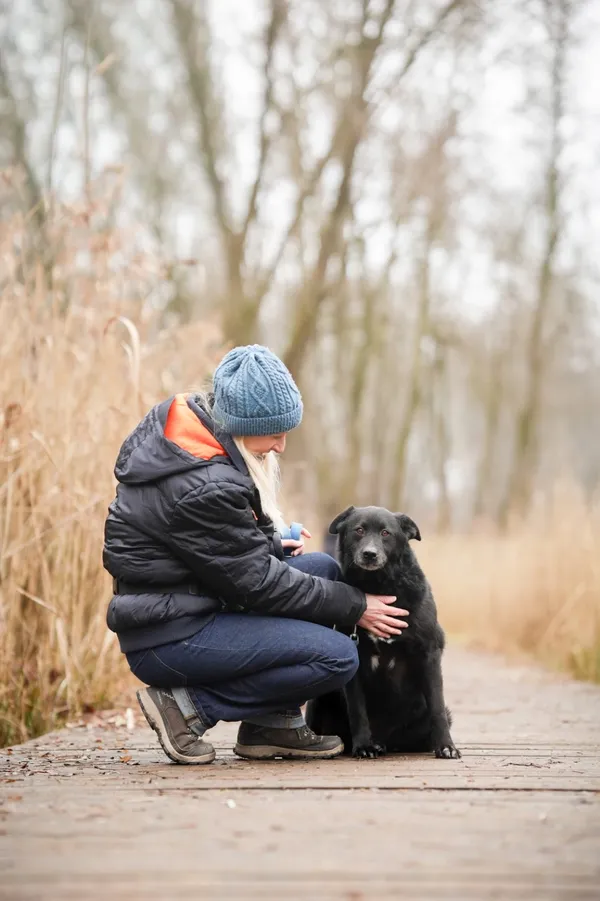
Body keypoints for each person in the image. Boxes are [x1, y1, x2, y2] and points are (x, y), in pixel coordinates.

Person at [103, 345, 408, 764]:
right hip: (168, 636)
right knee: (338, 657)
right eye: (275, 433)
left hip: (188, 606)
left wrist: (272, 543)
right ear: (242, 426)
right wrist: (357, 606)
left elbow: (217, 555)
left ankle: (272, 724)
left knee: (324, 568)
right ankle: (187, 708)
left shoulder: (200, 442)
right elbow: (258, 584)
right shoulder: (205, 485)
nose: (281, 446)